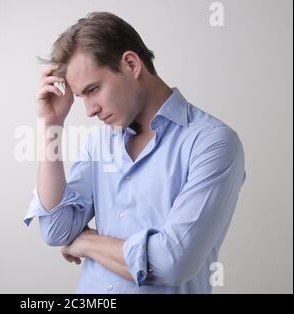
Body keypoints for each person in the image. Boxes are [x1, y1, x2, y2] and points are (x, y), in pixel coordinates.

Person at [23, 11, 246, 293]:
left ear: (130, 64)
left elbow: (172, 262)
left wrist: (87, 242)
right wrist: (52, 125)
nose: (90, 110)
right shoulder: (99, 143)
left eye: (94, 89)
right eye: (82, 97)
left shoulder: (212, 143)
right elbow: (56, 230)